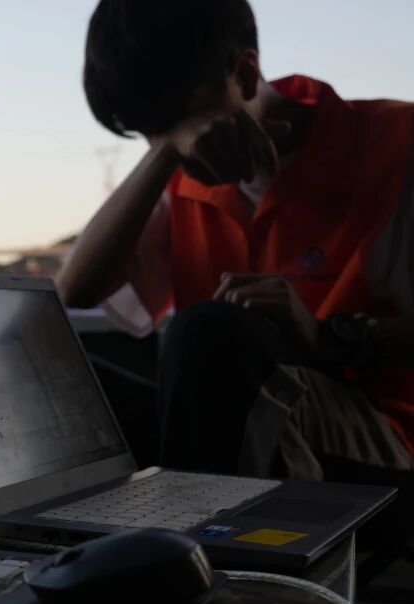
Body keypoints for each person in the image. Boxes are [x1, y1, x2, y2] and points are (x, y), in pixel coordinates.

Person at [57, 0, 414, 485]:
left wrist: (326, 335)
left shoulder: (395, 146)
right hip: (233, 424)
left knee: (209, 334)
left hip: (388, 434)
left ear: (244, 76)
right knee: (67, 378)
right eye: (152, 137)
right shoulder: (181, 176)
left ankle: (195, 530)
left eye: (181, 124)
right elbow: (73, 293)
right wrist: (165, 153)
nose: (183, 145)